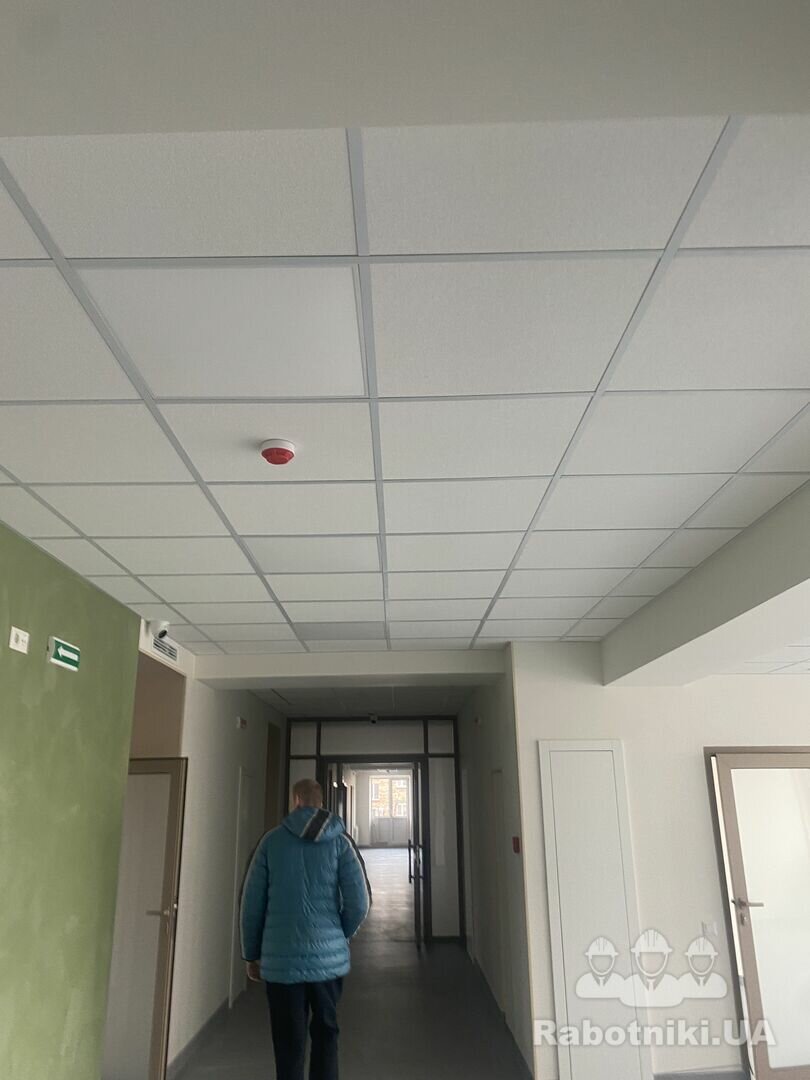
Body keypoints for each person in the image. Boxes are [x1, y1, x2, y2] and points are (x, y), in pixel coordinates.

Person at [240, 777, 371, 1080]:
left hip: (281, 965)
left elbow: (251, 904)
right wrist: (339, 935)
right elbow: (359, 902)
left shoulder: (271, 842)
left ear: (295, 801)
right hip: (328, 965)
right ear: (321, 803)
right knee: (326, 1034)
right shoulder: (340, 843)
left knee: (288, 1041)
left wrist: (251, 953)